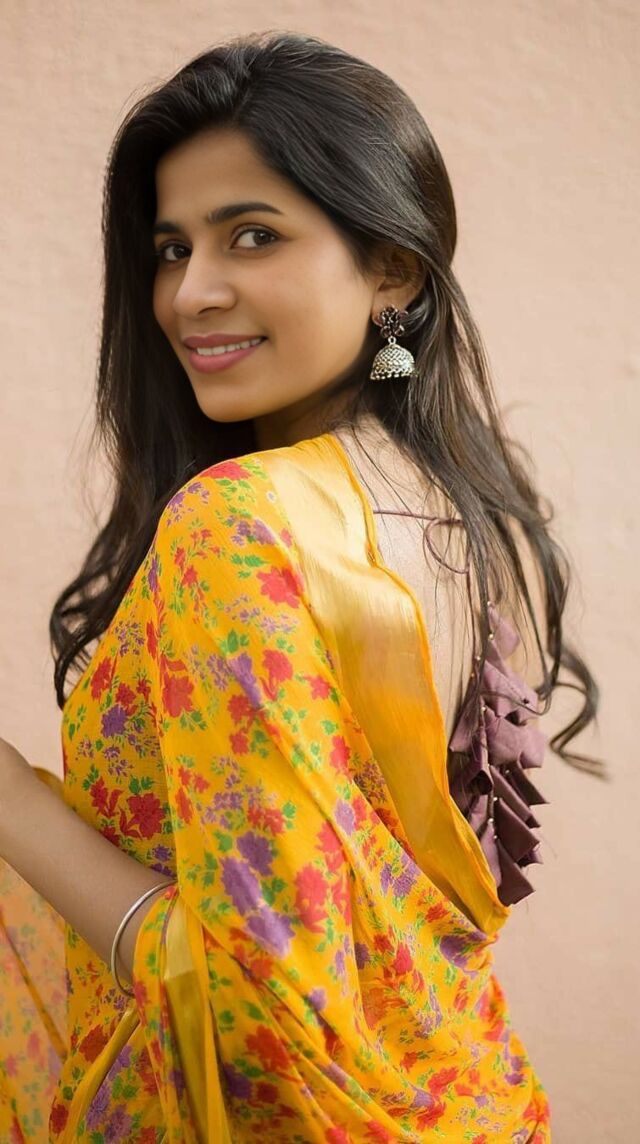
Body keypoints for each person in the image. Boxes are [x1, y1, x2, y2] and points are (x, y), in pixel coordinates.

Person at [0, 29, 602, 1143]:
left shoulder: (239, 523)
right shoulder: (479, 517)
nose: (190, 292)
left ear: (392, 269)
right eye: (170, 247)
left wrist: (13, 806)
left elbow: (260, 1015)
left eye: (253, 235)